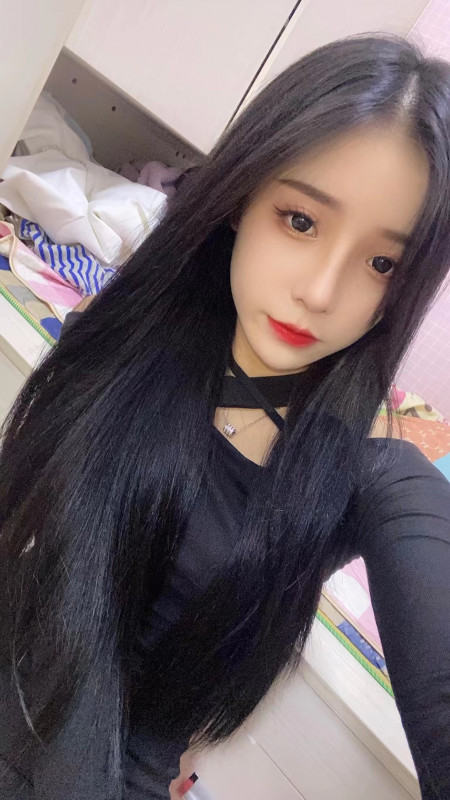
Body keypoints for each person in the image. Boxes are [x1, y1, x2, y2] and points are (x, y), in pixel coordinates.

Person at [0, 32, 449, 800]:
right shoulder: (132, 334)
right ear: (243, 196)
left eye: (383, 264)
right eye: (300, 220)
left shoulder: (367, 474)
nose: (320, 291)